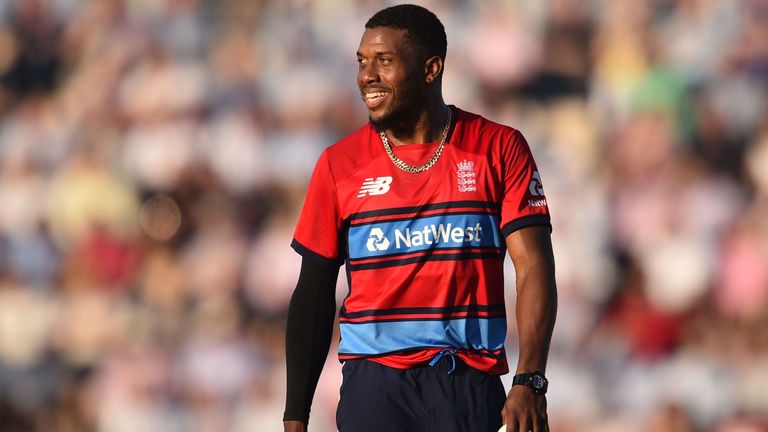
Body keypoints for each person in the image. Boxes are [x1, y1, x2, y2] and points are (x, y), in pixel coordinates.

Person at [283, 4, 557, 432]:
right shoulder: (339, 164)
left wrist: (530, 379)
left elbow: (534, 267)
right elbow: (314, 292)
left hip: (468, 381)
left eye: (384, 61)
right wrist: (295, 413)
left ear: (431, 69)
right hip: (375, 383)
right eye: (361, 62)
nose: (366, 76)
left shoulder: (499, 148)